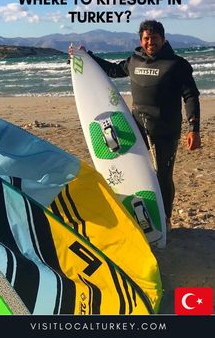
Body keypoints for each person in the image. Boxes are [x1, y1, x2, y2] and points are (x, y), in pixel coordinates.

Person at [68, 20, 201, 231]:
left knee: (163, 176)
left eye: (155, 38)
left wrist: (194, 128)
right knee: (130, 170)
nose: (150, 42)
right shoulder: (134, 61)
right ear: (141, 40)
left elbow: (191, 96)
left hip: (165, 129)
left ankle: (165, 218)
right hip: (136, 126)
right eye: (147, 38)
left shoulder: (177, 65)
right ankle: (135, 211)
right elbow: (112, 71)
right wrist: (87, 58)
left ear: (163, 39)